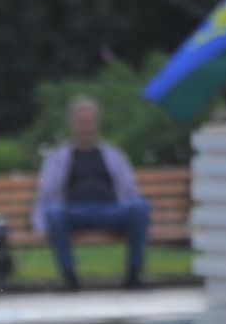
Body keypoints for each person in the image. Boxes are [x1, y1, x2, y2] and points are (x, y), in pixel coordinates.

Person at [31, 96, 150, 290]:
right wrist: (39, 225)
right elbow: (44, 195)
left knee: (139, 206)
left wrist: (136, 209)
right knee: (54, 211)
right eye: (81, 123)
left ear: (96, 123)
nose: (86, 127)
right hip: (74, 212)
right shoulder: (57, 158)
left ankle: (133, 275)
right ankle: (70, 278)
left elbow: (130, 190)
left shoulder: (114, 155)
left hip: (111, 211)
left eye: (89, 122)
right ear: (72, 125)